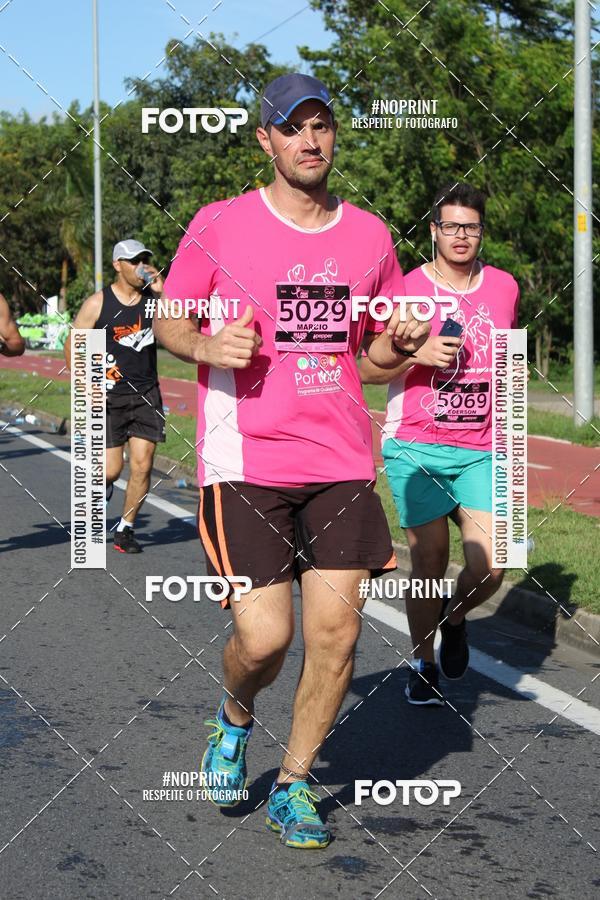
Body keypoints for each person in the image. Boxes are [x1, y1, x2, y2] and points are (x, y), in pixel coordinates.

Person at [155, 73, 430, 848]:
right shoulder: (219, 224)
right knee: (267, 638)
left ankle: (295, 786)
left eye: (323, 126)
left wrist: (396, 343)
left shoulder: (371, 237)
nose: (311, 141)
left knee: (338, 636)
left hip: (340, 457)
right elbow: (172, 320)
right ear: (265, 141)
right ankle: (235, 717)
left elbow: (371, 363)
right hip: (245, 458)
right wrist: (207, 345)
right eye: (294, 128)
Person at [361, 183, 520, 706]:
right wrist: (417, 356)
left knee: (494, 563)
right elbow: (365, 366)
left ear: (482, 232)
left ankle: (455, 619)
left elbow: (508, 365)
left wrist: (513, 436)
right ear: (434, 231)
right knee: (429, 564)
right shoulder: (404, 289)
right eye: (450, 226)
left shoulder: (504, 288)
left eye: (470, 226)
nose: (460, 236)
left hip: (485, 446)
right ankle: (422, 661)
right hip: (417, 444)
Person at [65, 240, 165, 553]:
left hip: (147, 392)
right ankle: (105, 485)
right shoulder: (98, 303)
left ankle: (126, 529)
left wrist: (164, 292)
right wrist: (84, 382)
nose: (140, 266)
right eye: (133, 260)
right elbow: (73, 345)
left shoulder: (154, 300)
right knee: (111, 470)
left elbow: (182, 321)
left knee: (143, 464)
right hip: (109, 396)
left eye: (144, 260)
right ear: (117, 265)